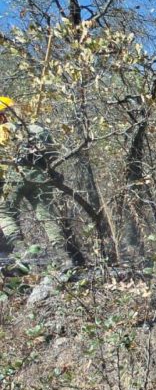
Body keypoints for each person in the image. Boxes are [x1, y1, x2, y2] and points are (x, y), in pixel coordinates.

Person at [0, 96, 79, 265]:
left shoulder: (3, 130)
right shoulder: (37, 128)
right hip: (41, 176)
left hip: (16, 175)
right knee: (47, 216)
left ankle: (21, 250)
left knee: (5, 212)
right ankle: (64, 257)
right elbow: (53, 154)